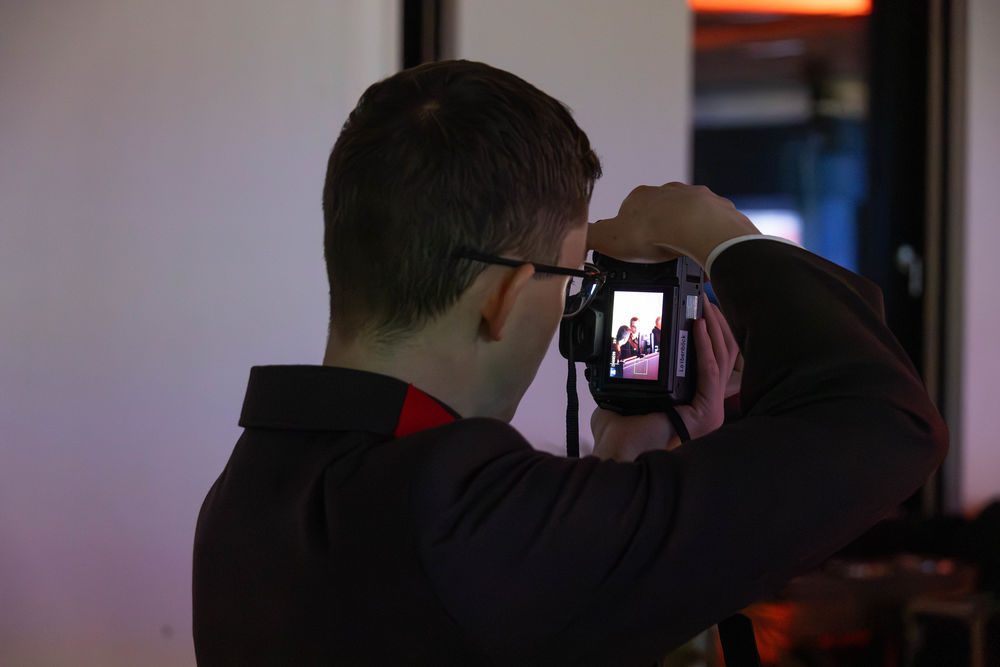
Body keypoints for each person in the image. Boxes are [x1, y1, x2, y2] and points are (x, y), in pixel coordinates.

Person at [192, 60, 948, 666]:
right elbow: (885, 420)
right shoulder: (462, 518)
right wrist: (718, 232)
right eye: (567, 279)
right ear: (505, 297)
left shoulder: (248, 494)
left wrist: (622, 477)